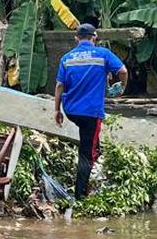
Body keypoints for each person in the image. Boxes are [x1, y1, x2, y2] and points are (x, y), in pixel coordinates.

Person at [53, 23, 128, 199]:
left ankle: (96, 153)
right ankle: (81, 195)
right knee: (86, 154)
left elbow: (59, 85)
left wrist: (56, 110)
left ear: (76, 38)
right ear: (94, 37)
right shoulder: (103, 54)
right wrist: (122, 86)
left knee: (91, 143)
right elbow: (123, 71)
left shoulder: (67, 58)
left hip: (71, 110)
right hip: (90, 113)